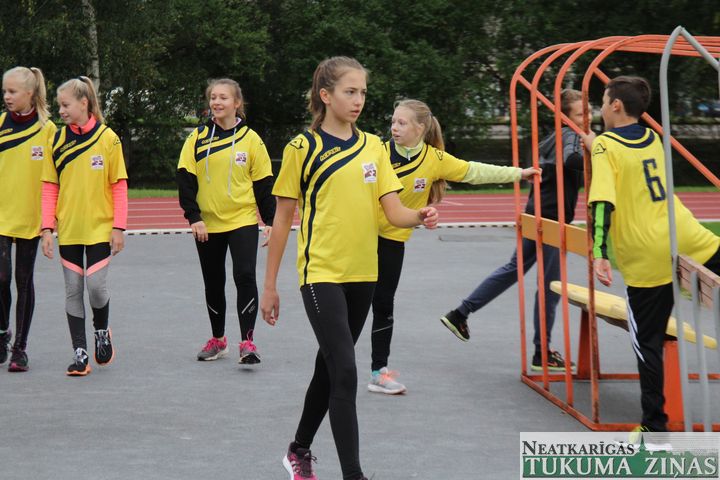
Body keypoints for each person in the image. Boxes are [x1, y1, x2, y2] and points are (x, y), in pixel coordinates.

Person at [260, 57, 438, 480]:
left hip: (364, 275)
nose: (358, 100)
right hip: (320, 274)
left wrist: (419, 216)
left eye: (362, 92)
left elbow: (393, 211)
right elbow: (282, 219)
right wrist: (269, 285)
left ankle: (298, 449)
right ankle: (354, 475)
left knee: (330, 369)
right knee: (345, 370)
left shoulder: (374, 147)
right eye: (350, 91)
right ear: (326, 95)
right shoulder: (302, 148)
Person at [368, 99, 540, 394]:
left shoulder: (434, 159)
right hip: (361, 237)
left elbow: (474, 171)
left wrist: (518, 173)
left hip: (393, 240)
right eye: (393, 121)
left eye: (402, 123)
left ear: (421, 128)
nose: (394, 127)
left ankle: (378, 372)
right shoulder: (377, 153)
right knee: (351, 305)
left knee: (383, 305)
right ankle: (336, 367)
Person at [586, 76, 720, 432]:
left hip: (646, 251)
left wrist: (599, 251)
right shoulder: (653, 137)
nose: (601, 108)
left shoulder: (605, 145)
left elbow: (602, 200)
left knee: (647, 341)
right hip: (686, 233)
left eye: (603, 101)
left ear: (616, 105)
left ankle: (654, 424)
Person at [440, 89, 589, 372]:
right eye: (581, 113)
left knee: (514, 269)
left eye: (588, 112)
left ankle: (461, 312)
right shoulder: (572, 135)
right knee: (551, 286)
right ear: (565, 115)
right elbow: (572, 159)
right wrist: (597, 154)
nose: (587, 118)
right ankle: (542, 352)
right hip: (551, 219)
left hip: (536, 214)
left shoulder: (551, 139)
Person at [177, 78, 275, 364]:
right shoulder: (196, 138)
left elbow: (264, 184)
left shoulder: (251, 140)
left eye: (223, 97)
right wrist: (193, 217)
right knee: (213, 281)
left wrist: (270, 220)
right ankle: (218, 340)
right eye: (213, 97)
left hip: (242, 219)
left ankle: (248, 342)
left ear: (237, 103)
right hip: (207, 224)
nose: (217, 102)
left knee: (244, 275)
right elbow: (185, 178)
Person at [41, 76, 128, 377]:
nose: (61, 111)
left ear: (84, 103)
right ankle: (80, 353)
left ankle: (101, 331)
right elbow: (50, 186)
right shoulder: (56, 140)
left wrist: (119, 227)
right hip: (69, 229)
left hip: (100, 228)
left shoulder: (108, 138)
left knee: (95, 287)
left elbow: (119, 185)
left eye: (65, 105)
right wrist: (46, 228)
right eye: (59, 106)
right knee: (73, 288)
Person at [0, 66, 56, 372]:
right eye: (5, 91)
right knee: (1, 277)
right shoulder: (0, 124)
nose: (7, 97)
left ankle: (20, 347)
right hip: (1, 215)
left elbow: (56, 179)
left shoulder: (48, 130)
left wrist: (50, 222)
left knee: (23, 280)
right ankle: (2, 333)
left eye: (12, 91)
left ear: (30, 93)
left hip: (31, 218)